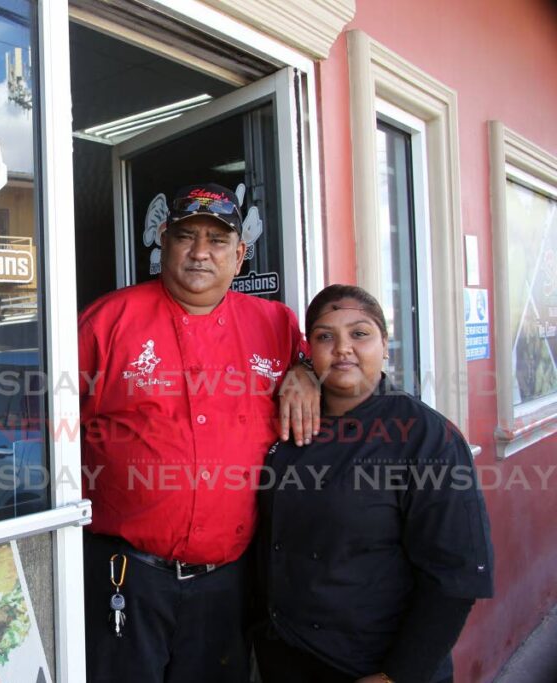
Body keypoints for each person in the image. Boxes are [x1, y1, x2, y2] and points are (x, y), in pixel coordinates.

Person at [78, 182, 320, 682]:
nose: (200, 252)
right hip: (125, 574)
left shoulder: (275, 323)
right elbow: (49, 424)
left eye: (217, 240)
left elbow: (322, 364)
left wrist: (305, 371)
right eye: (187, 236)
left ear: (240, 255)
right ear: (163, 242)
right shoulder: (109, 319)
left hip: (226, 584)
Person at [253, 284, 494, 683]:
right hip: (286, 657)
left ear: (385, 344)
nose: (342, 348)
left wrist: (399, 674)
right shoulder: (292, 424)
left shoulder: (426, 437)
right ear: (309, 351)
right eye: (325, 336)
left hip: (373, 665)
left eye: (359, 334)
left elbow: (455, 574)